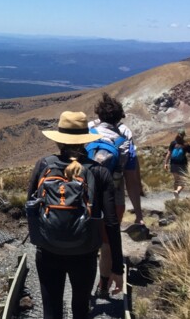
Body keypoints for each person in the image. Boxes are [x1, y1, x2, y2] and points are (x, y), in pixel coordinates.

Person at [27, 111, 124, 319]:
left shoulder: (43, 165)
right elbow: (111, 222)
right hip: (84, 253)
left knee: (51, 311)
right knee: (80, 308)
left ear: (59, 140)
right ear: (84, 140)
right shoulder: (99, 172)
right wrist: (117, 267)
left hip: (48, 251)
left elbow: (30, 208)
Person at [89, 93, 142, 299]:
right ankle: (103, 287)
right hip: (115, 196)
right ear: (120, 117)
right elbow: (131, 177)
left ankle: (82, 286)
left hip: (86, 194)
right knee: (107, 244)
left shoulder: (89, 131)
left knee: (86, 241)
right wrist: (138, 212)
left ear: (99, 114)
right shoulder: (125, 137)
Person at [164, 128, 190, 199]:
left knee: (176, 180)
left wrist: (166, 163)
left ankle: (175, 197)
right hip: (182, 165)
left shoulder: (173, 143)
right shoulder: (186, 145)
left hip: (173, 164)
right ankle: (177, 192)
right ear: (184, 135)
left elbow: (168, 154)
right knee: (183, 182)